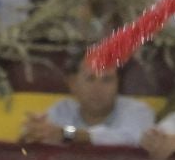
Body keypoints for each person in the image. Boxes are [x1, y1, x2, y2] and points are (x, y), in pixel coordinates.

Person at [18, 61, 155, 148]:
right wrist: (33, 133)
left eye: (107, 80)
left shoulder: (138, 111)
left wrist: (68, 134)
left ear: (118, 84)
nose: (98, 88)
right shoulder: (62, 109)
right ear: (73, 84)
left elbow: (130, 139)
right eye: (90, 79)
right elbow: (43, 136)